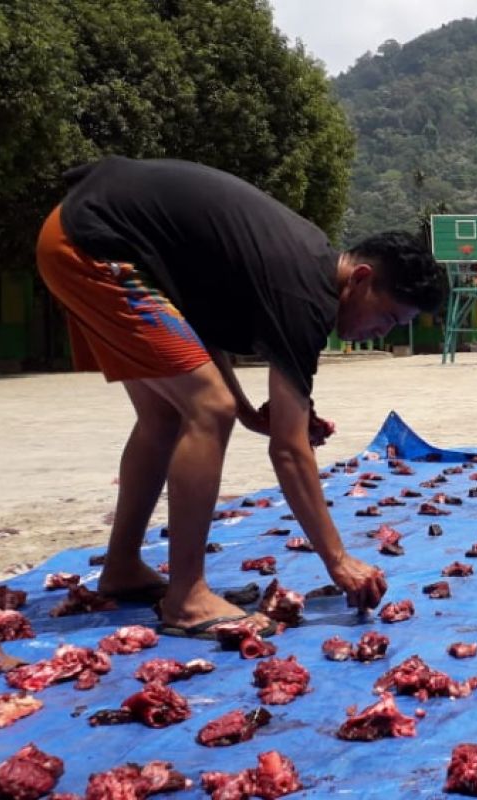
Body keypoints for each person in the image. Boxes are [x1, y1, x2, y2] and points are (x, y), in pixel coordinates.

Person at [35, 156, 445, 637]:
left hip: (83, 231)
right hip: (93, 244)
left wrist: (251, 413)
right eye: (388, 318)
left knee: (167, 416)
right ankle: (186, 597)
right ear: (360, 279)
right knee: (207, 408)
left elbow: (199, 336)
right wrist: (337, 561)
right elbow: (290, 452)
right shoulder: (305, 297)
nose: (379, 332)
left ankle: (123, 567)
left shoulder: (300, 272)